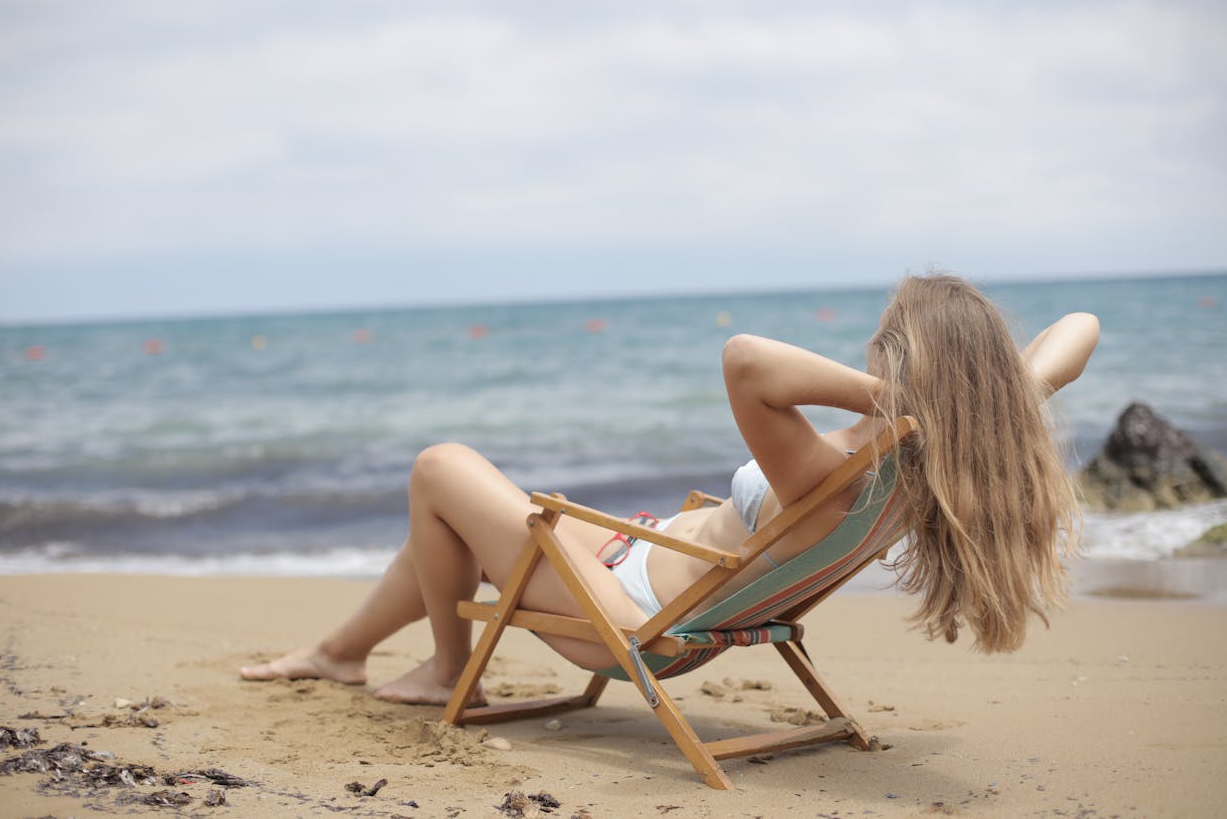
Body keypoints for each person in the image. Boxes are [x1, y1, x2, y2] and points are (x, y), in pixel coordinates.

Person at [240, 274, 1099, 706]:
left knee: (439, 465)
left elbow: (745, 358)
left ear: (894, 360)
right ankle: (340, 653)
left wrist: (892, 397)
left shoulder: (839, 459)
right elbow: (1081, 330)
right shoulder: (939, 462)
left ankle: (444, 667)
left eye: (880, 342)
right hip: (648, 570)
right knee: (461, 517)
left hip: (633, 624)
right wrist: (980, 395)